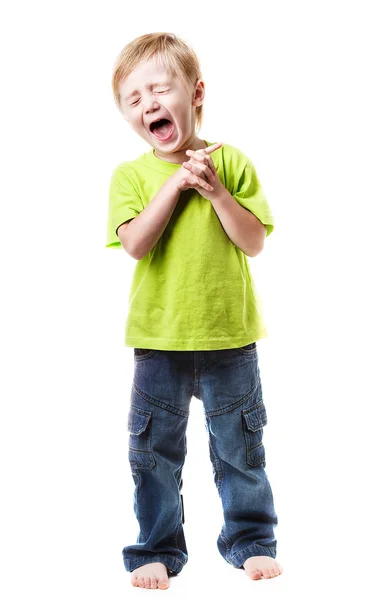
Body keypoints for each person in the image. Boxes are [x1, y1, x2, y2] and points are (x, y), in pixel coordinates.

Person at [106, 32, 283, 590]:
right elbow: (135, 244)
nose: (148, 104)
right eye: (133, 100)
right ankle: (155, 550)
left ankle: (252, 540)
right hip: (159, 340)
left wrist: (215, 193)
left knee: (240, 449)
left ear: (196, 92)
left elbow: (253, 241)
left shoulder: (230, 163)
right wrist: (176, 184)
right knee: (154, 454)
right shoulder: (132, 177)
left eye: (160, 89)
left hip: (230, 337)